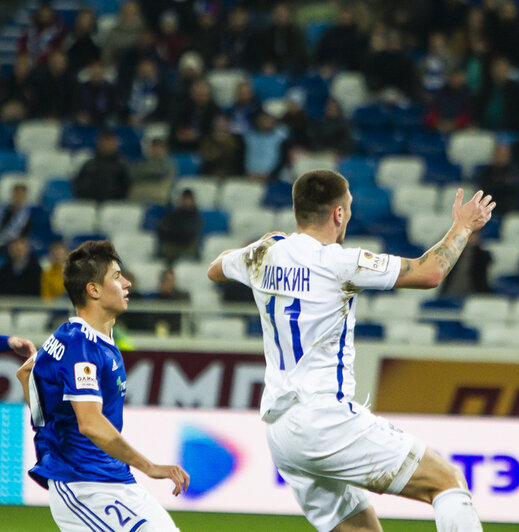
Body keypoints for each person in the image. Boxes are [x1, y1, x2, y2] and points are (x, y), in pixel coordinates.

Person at [207, 169, 493, 532]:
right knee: (447, 482)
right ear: (338, 214)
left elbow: (215, 269)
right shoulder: (339, 262)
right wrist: (463, 226)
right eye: (349, 208)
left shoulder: (264, 254)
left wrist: (259, 245)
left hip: (280, 431)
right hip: (324, 419)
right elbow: (430, 272)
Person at [14, 240, 189, 531]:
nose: (128, 283)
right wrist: (149, 466)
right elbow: (90, 423)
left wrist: (36, 384)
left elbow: (27, 377)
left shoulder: (82, 338)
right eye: (117, 276)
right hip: (83, 485)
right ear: (93, 290)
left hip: (113, 478)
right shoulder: (81, 344)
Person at [72, 130, 130, 202]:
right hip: (88, 203)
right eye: (104, 141)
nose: (106, 145)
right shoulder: (89, 165)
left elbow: (126, 187)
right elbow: (78, 185)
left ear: (116, 144)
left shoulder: (122, 166)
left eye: (110, 142)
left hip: (114, 204)